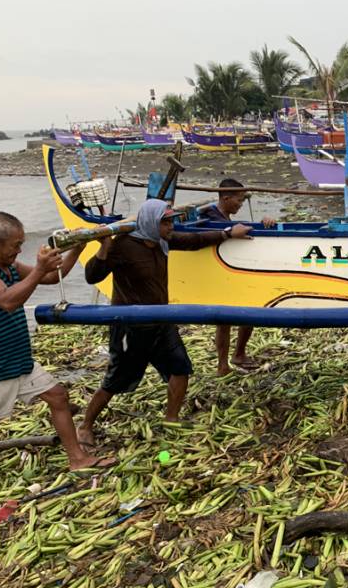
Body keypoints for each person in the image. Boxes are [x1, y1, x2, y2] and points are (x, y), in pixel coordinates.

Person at [0, 211, 113, 498]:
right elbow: (7, 301)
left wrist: (79, 245)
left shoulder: (9, 265)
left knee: (57, 396)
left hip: (19, 360)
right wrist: (40, 269)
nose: (19, 250)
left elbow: (55, 277)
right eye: (15, 245)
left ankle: (77, 459)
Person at [77, 199, 251, 444]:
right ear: (151, 222)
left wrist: (227, 232)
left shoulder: (161, 241)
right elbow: (92, 275)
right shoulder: (123, 246)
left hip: (161, 321)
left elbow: (194, 241)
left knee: (181, 369)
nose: (171, 226)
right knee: (115, 381)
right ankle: (85, 426)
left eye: (171, 221)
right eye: (166, 222)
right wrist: (104, 247)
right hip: (131, 325)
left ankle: (171, 417)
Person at [199, 178, 276, 375]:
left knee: (248, 311)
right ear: (226, 198)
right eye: (238, 201)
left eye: (243, 201)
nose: (241, 204)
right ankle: (222, 365)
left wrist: (263, 224)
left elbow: (239, 230)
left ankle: (239, 354)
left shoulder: (224, 217)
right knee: (223, 320)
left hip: (236, 269)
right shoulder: (210, 218)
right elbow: (212, 235)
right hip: (218, 271)